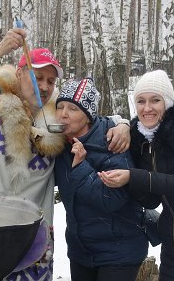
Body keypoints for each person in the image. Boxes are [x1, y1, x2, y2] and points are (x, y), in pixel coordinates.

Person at [0, 28, 131, 281]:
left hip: (32, 239)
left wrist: (122, 124)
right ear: (20, 72)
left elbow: (92, 121)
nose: (44, 86)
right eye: (38, 77)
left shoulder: (57, 122)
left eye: (51, 81)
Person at [98, 70, 174, 281]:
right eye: (141, 101)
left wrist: (132, 177)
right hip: (172, 239)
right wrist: (124, 182)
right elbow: (151, 200)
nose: (147, 108)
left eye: (155, 100)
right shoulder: (142, 138)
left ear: (167, 103)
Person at [54, 77, 149, 281]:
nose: (63, 114)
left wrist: (80, 166)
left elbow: (112, 198)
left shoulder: (112, 141)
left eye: (72, 108)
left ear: (88, 116)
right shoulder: (60, 144)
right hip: (81, 251)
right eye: (60, 106)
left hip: (119, 251)